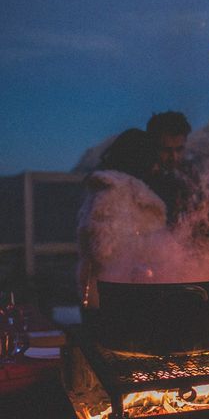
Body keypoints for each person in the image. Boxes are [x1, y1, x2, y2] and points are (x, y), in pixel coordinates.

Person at [76, 129, 165, 311]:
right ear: (140, 160)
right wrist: (148, 256)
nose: (157, 167)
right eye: (153, 160)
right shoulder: (113, 193)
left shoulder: (126, 192)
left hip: (124, 292)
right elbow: (104, 249)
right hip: (114, 296)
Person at [146, 111, 199, 225]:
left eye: (179, 149)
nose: (173, 157)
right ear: (153, 147)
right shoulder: (140, 179)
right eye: (166, 150)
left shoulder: (189, 176)